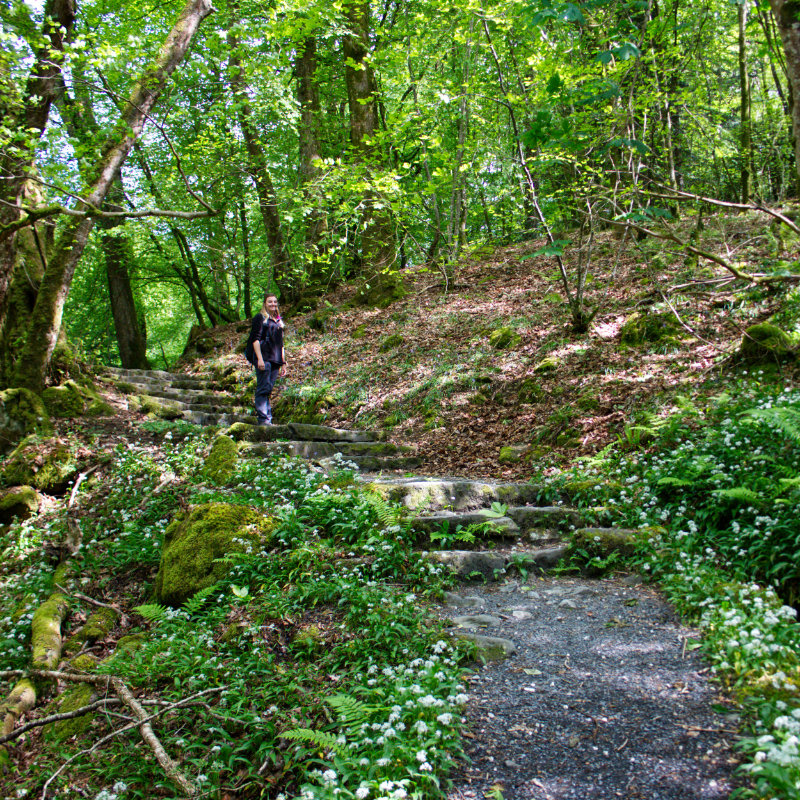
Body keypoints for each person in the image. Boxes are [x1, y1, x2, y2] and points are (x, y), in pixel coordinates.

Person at [245, 293, 287, 425]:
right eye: (270, 302)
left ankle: (267, 418)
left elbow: (281, 344)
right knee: (263, 388)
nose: (273, 304)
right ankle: (264, 420)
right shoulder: (260, 318)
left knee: (268, 389)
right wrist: (259, 359)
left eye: (275, 302)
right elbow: (255, 340)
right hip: (264, 358)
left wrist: (284, 362)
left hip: (275, 360)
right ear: (265, 303)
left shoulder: (278, 321)